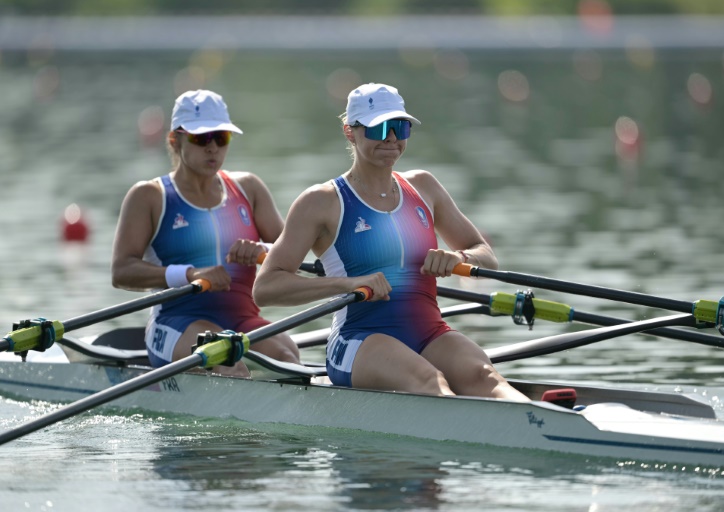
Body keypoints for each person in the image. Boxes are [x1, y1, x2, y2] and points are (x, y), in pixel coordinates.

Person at [253, 83, 528, 401]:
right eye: (379, 128)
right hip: (359, 340)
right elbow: (267, 287)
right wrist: (348, 284)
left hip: (428, 332)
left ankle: (546, 429)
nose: (392, 139)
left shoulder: (424, 187)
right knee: (429, 381)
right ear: (349, 132)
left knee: (486, 378)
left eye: (400, 127)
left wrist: (459, 257)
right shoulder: (321, 201)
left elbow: (486, 255)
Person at [112, 89, 301, 377]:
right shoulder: (150, 196)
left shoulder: (249, 188)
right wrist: (190, 275)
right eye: (201, 138)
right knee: (226, 363)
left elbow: (291, 256)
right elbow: (122, 271)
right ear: (175, 140)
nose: (213, 148)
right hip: (178, 321)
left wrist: (262, 251)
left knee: (289, 358)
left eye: (221, 137)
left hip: (243, 319)